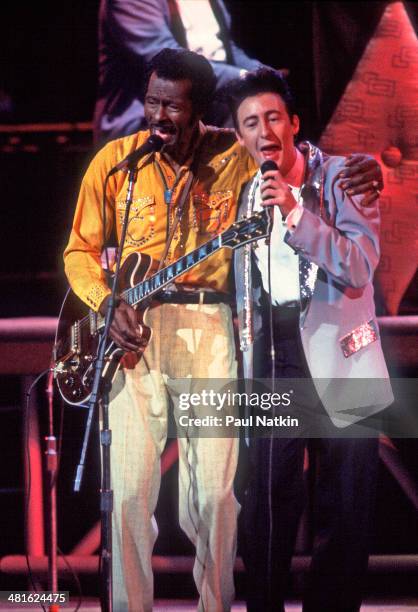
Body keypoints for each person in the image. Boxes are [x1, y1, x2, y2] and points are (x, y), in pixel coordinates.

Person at [65, 47, 384, 611]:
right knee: (145, 496)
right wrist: (103, 300)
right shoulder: (115, 165)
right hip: (160, 336)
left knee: (231, 497)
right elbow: (79, 252)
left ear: (200, 113)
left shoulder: (248, 159)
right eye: (152, 101)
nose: (160, 115)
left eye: (175, 106)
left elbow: (296, 163)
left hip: (242, 331)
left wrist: (365, 168)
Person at [226, 68, 394, 611]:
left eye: (273, 117)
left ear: (294, 124)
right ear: (240, 135)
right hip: (275, 353)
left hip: (347, 351)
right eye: (250, 122)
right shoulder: (242, 193)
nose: (263, 130)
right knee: (267, 499)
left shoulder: (344, 177)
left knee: (345, 505)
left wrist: (296, 214)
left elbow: (360, 267)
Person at [93, 0, 266, 145]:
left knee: (268, 108)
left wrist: (266, 75)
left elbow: (224, 49)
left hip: (205, 111)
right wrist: (245, 78)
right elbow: (164, 58)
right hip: (148, 119)